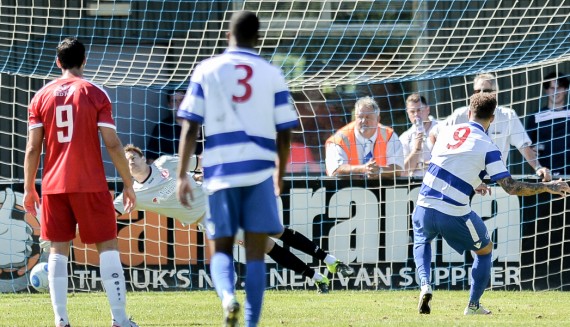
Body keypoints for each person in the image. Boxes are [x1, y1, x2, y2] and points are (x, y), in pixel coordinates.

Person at [176, 11, 299, 327]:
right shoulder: (271, 73)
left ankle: (228, 298)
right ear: (258, 38)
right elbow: (285, 130)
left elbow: (190, 126)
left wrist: (181, 175)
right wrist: (279, 174)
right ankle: (250, 323)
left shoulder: (207, 69)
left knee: (222, 248)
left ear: (227, 36)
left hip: (220, 174)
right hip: (259, 171)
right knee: (257, 254)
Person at [114, 145, 353, 293]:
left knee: (274, 229)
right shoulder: (134, 194)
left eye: (134, 156)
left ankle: (329, 259)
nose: (131, 162)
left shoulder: (166, 163)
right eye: (125, 161)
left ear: (144, 158)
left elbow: (201, 162)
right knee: (265, 245)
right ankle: (317, 278)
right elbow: (108, 212)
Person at [413, 92, 570, 316]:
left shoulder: (447, 130)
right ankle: (473, 305)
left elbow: (448, 157)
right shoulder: (488, 146)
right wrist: (548, 187)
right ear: (492, 118)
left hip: (424, 205)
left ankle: (425, 285)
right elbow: (511, 187)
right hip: (452, 211)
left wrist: (475, 181)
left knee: (422, 240)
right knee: (485, 250)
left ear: (469, 112)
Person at [22, 37, 138, 327]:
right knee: (108, 246)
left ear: (58, 62)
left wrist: (28, 188)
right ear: (84, 61)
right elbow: (112, 144)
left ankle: (61, 321)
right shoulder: (95, 92)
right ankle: (120, 320)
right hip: (90, 183)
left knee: (58, 250)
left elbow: (33, 148)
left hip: (53, 186)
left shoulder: (40, 97)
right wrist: (128, 182)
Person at [429, 73, 551, 181]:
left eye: (486, 91)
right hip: (466, 180)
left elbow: (523, 145)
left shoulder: (507, 115)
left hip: (496, 180)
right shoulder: (460, 114)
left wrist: (538, 167)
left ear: (495, 93)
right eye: (477, 91)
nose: (481, 95)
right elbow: (434, 134)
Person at [325, 96, 404, 178]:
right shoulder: (339, 139)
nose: (363, 121)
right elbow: (335, 171)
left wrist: (379, 170)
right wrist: (363, 169)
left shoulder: (389, 135)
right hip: (348, 189)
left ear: (377, 119)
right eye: (360, 117)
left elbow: (397, 169)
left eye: (368, 117)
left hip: (381, 188)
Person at [526, 71, 570, 176]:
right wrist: (532, 150)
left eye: (559, 88)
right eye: (552, 88)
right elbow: (526, 145)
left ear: (565, 90)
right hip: (545, 176)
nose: (555, 92)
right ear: (546, 90)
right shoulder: (535, 117)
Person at [146, 89, 203, 163]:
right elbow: (151, 158)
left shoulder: (200, 125)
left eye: (181, 100)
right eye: (174, 101)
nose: (178, 105)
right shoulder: (161, 128)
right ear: (169, 105)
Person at [399, 94, 438, 177]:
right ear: (407, 113)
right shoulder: (404, 138)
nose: (416, 114)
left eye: (419, 110)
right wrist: (416, 149)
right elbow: (403, 172)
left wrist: (418, 165)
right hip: (416, 185)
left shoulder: (442, 128)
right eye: (412, 112)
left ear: (428, 109)